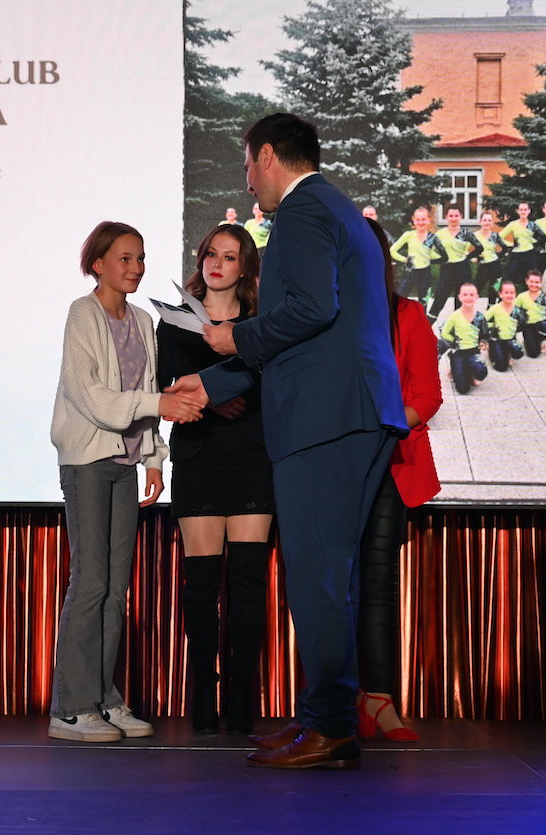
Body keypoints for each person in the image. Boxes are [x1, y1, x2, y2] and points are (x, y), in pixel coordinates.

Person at [166, 113, 407, 770]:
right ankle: (324, 716)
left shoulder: (303, 211)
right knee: (330, 574)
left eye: (247, 164)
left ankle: (330, 728)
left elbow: (307, 312)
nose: (248, 181)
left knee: (318, 576)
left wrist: (233, 337)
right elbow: (308, 334)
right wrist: (208, 385)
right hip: (350, 410)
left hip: (327, 418)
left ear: (267, 155)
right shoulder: (335, 209)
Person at [48, 221, 202, 743]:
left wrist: (154, 457)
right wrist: (159, 405)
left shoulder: (140, 320)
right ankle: (71, 707)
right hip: (89, 460)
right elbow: (90, 396)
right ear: (97, 264)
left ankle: (103, 699)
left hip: (126, 461)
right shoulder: (82, 313)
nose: (135, 268)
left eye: (140, 258)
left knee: (115, 590)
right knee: (91, 582)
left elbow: (147, 391)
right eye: (124, 258)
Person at [155, 224, 274, 734]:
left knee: (247, 585)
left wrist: (224, 389)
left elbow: (274, 382)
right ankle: (203, 693)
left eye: (229, 256)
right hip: (199, 457)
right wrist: (210, 399)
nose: (217, 264)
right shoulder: (173, 322)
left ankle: (241, 698)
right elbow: (163, 388)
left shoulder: (262, 323)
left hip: (253, 457)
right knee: (202, 586)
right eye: (210, 254)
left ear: (245, 268)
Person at [356, 218, 443, 742]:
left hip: (391, 462)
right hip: (334, 468)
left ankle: (380, 699)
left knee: (377, 582)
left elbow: (428, 395)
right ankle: (335, 702)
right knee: (333, 585)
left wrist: (381, 427)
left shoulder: (407, 315)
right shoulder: (325, 318)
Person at [430, 204, 482, 323]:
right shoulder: (440, 234)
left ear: (461, 216)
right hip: (447, 268)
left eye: (456, 215)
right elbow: (430, 250)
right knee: (439, 298)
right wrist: (440, 259)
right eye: (451, 216)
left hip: (462, 268)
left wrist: (467, 257)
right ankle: (425, 329)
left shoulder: (466, 233)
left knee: (461, 300)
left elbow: (479, 248)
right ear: (446, 217)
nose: (453, 218)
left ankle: (458, 329)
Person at [438, 282, 490, 395]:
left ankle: (470, 372)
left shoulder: (480, 317)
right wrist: (455, 342)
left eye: (471, 295)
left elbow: (485, 334)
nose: (468, 297)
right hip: (458, 352)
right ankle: (454, 367)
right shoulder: (454, 316)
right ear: (460, 297)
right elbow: (445, 333)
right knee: (463, 389)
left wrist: (483, 343)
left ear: (477, 297)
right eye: (465, 295)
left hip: (473, 351)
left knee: (482, 372)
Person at [389, 206, 438, 301]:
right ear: (413, 220)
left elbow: (431, 254)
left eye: (423, 219)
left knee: (424, 300)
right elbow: (392, 251)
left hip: (425, 272)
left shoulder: (432, 237)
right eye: (418, 219)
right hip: (410, 271)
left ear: (428, 220)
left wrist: (442, 259)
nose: (420, 222)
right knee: (400, 298)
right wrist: (405, 260)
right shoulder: (408, 235)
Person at [483, 280, 526, 371]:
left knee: (519, 352)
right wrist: (491, 327)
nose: (509, 295)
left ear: (515, 294)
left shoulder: (517, 310)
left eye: (512, 293)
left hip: (510, 339)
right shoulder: (495, 308)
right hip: (497, 339)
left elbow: (523, 323)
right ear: (500, 294)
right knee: (501, 367)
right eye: (506, 293)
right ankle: (492, 350)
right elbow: (483, 320)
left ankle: (507, 352)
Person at [499, 202, 541, 286]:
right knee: (510, 277)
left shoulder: (532, 225)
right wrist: (510, 244)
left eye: (525, 209)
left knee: (530, 279)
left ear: (529, 211)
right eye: (521, 210)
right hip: (516, 255)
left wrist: (535, 244)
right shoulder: (513, 224)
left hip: (530, 254)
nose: (523, 212)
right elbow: (499, 237)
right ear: (517, 211)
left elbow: (542, 238)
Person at [516, 270, 546, 358]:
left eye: (537, 282)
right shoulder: (521, 296)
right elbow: (515, 311)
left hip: (540, 324)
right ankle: (529, 341)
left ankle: (540, 341)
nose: (534, 284)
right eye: (531, 282)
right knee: (533, 354)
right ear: (526, 281)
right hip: (528, 325)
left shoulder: (545, 297)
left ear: (541, 283)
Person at [472, 211, 506, 301]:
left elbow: (505, 248)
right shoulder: (474, 235)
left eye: (489, 220)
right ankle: (469, 307)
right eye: (485, 220)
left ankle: (491, 307)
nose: (487, 222)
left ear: (492, 223)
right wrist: (473, 257)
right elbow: (464, 248)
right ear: (480, 222)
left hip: (495, 266)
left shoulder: (495, 236)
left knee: (494, 289)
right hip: (483, 265)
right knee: (475, 289)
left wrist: (498, 256)